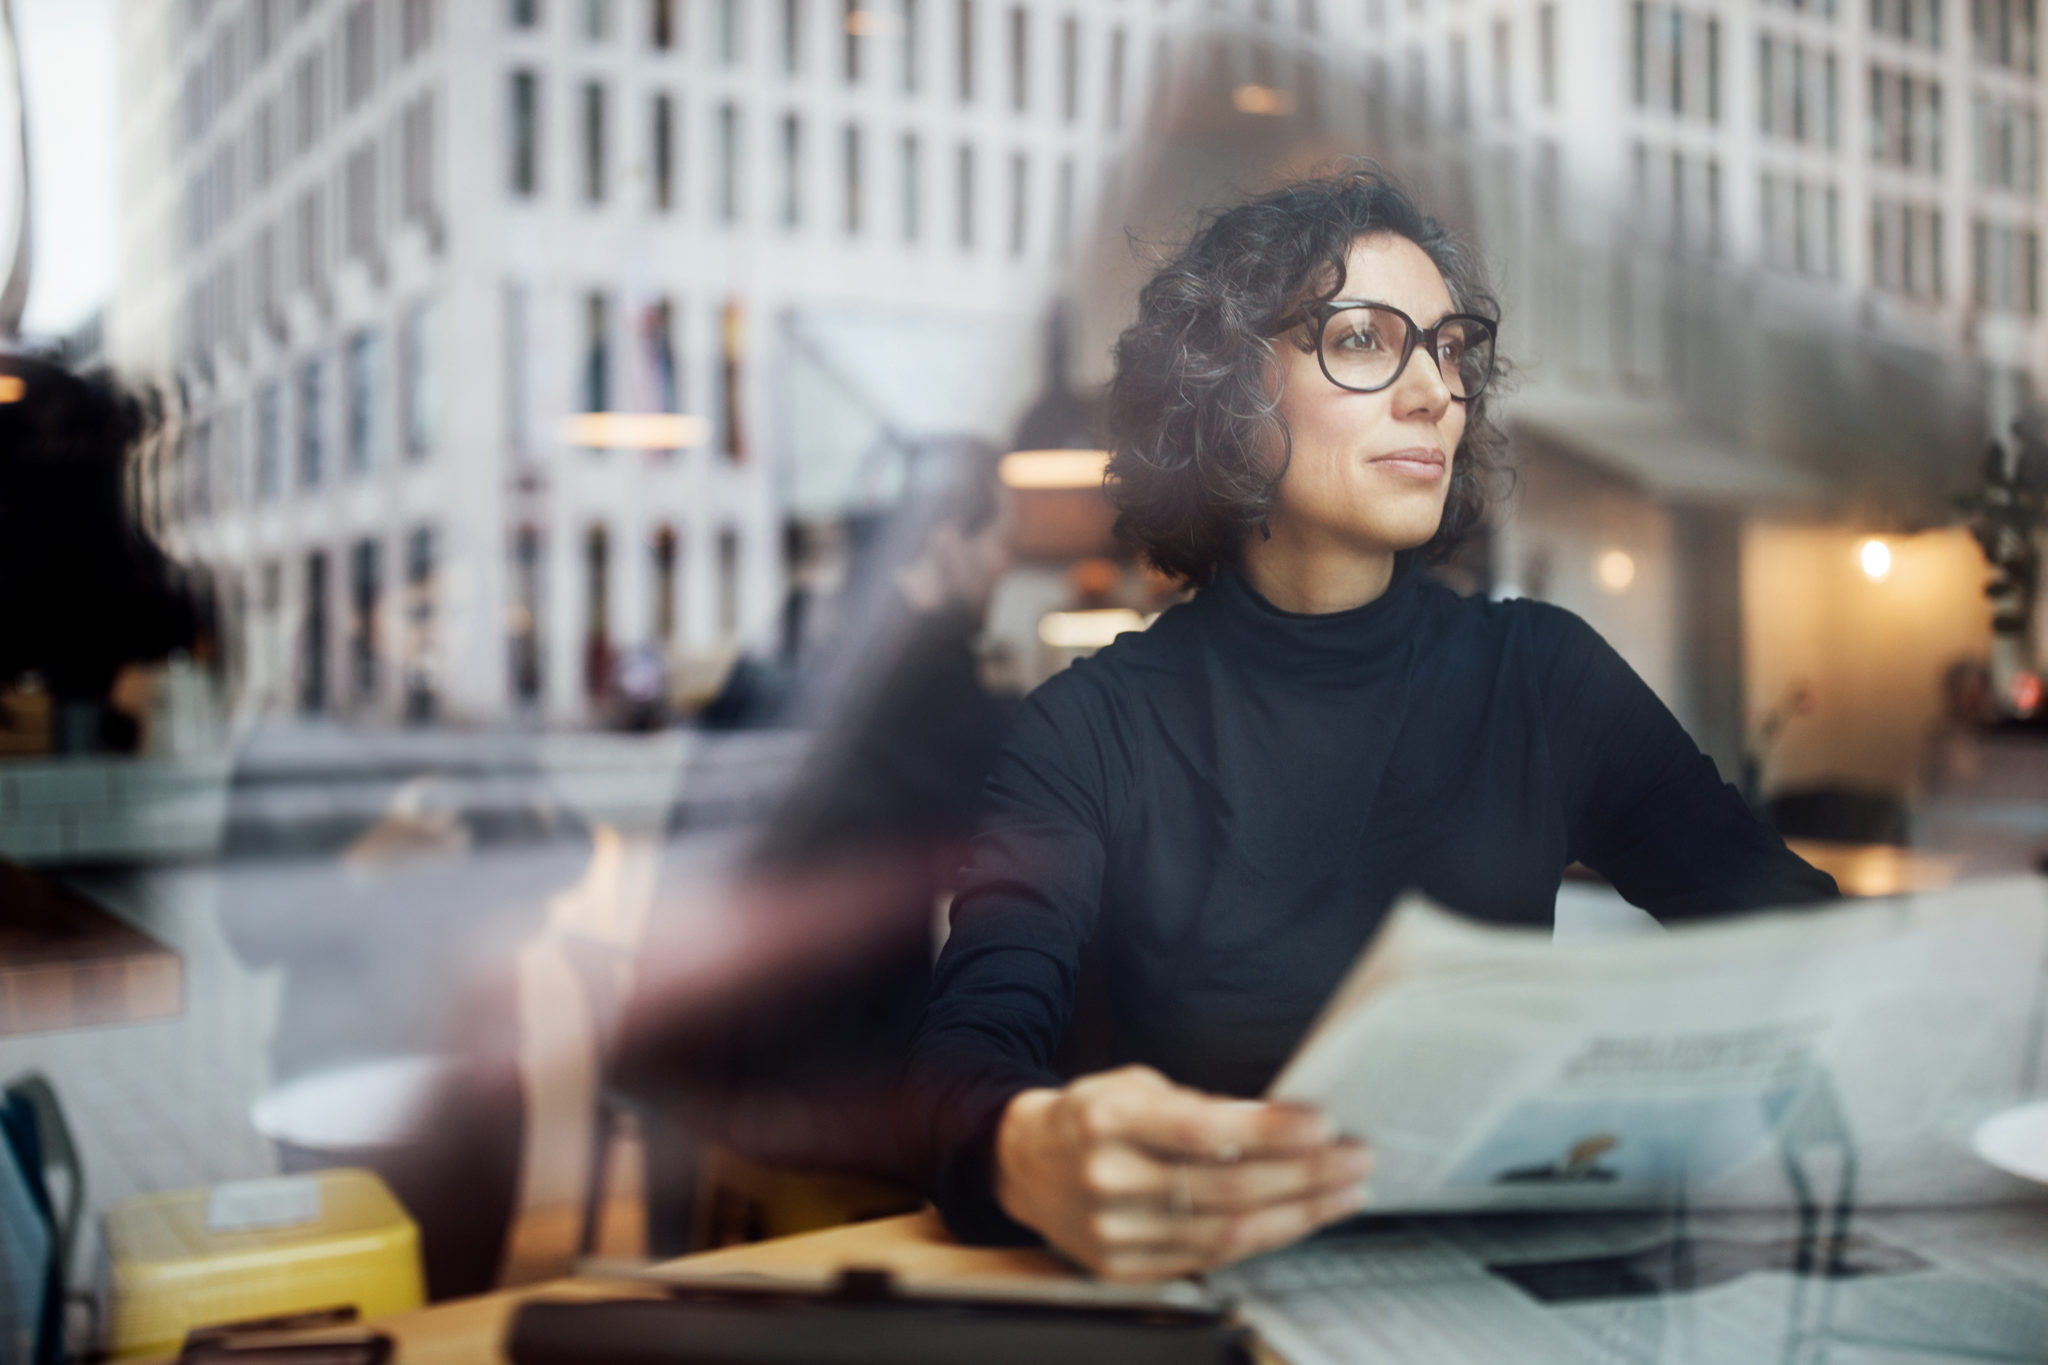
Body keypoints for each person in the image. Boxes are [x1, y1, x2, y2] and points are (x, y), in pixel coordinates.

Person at [904, 166, 1839, 1281]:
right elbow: (962, 1070)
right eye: (1361, 340)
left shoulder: (1539, 679)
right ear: (1222, 391)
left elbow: (1804, 949)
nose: (1434, 393)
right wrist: (1028, 1147)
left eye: (1447, 349)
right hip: (1211, 1310)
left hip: (1492, 1312)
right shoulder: (1086, 732)